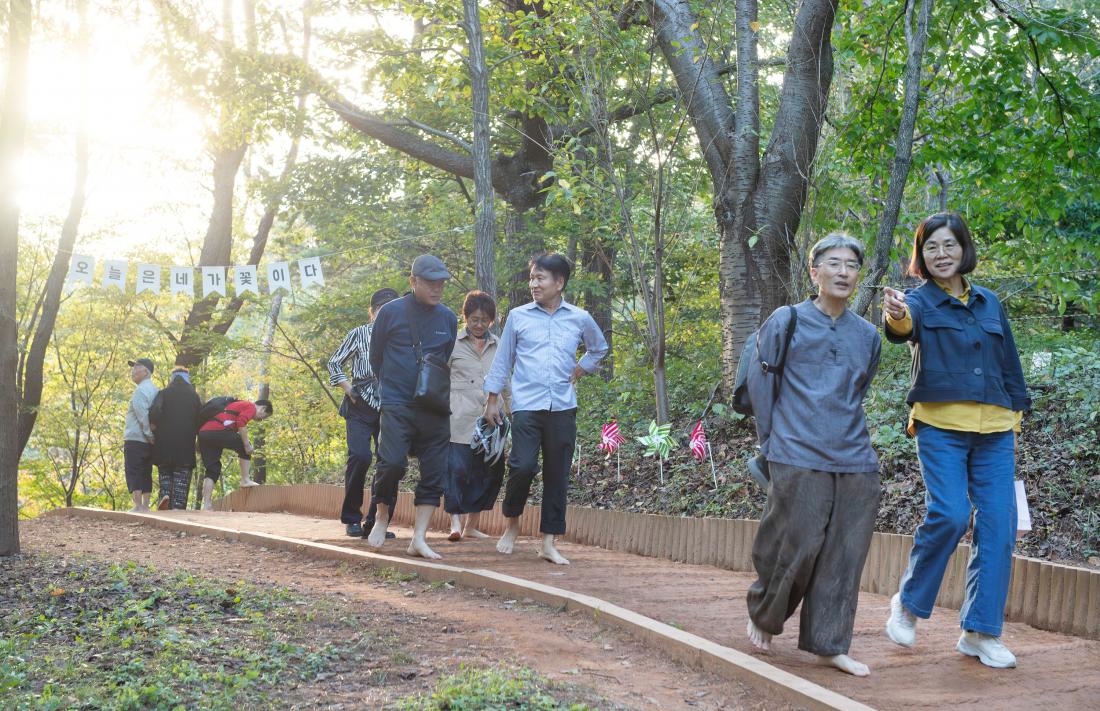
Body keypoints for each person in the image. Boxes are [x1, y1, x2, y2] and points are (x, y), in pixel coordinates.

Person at [881, 211, 1030, 669]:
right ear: (921, 257)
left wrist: (1016, 410)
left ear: (964, 250)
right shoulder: (918, 301)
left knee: (999, 526)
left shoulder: (989, 302)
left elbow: (1009, 361)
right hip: (941, 425)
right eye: (931, 247)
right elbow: (901, 328)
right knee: (949, 513)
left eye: (949, 245)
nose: (941, 254)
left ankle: (980, 632)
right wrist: (898, 316)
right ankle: (908, 603)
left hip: (996, 429)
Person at [743, 234, 881, 677]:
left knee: (846, 552)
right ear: (814, 271)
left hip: (855, 457)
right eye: (834, 263)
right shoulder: (788, 320)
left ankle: (829, 642)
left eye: (851, 265)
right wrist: (772, 442)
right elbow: (760, 385)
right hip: (796, 449)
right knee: (794, 540)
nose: (843, 272)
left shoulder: (868, 334)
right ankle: (765, 614)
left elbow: (858, 389)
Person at [483, 253, 609, 565]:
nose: (534, 284)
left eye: (540, 278)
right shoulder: (519, 316)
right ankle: (511, 525)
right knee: (523, 466)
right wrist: (492, 399)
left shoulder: (578, 317)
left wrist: (582, 368)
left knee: (557, 474)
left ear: (559, 282)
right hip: (527, 404)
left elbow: (599, 347)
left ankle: (549, 542)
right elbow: (503, 360)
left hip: (563, 406)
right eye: (532, 278)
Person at [365, 255, 458, 559]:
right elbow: (376, 357)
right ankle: (381, 516)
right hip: (396, 401)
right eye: (431, 282)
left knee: (434, 472)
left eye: (441, 282)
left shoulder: (448, 318)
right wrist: (392, 386)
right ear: (413, 281)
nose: (437, 288)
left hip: (433, 406)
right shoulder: (390, 313)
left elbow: (443, 357)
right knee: (391, 463)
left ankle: (419, 537)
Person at [327, 287, 400, 538]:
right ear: (372, 312)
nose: (386, 314)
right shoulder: (359, 333)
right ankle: (352, 518)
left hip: (391, 406)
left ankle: (377, 521)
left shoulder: (401, 336)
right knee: (360, 456)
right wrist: (347, 388)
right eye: (381, 309)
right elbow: (334, 361)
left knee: (389, 463)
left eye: (391, 309)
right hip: (359, 404)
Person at [444, 291, 508, 541]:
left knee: (487, 473)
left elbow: (506, 379)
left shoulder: (500, 344)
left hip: (491, 419)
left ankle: (472, 525)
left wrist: (513, 411)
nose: (479, 325)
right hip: (458, 416)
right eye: (474, 319)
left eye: (484, 320)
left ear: (491, 321)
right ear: (465, 318)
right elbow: (439, 377)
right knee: (457, 470)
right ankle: (455, 524)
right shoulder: (453, 343)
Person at [196, 398, 273, 510]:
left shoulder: (237, 405)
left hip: (204, 433)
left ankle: (206, 505)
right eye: (264, 417)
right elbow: (241, 422)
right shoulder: (251, 406)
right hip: (217, 430)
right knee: (245, 445)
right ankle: (245, 479)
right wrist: (246, 445)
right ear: (263, 408)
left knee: (212, 470)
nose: (261, 420)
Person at [150, 366, 202, 510]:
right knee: (182, 479)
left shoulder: (163, 393)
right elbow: (201, 418)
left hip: (164, 443)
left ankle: (165, 496)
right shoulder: (194, 396)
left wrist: (154, 427)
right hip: (185, 445)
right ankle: (178, 508)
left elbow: (154, 411)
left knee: (165, 473)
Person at [124, 357, 159, 512]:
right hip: (149, 441)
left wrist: (148, 434)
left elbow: (142, 415)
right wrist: (153, 436)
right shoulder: (156, 391)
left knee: (134, 469)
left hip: (136, 437)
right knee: (146, 470)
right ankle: (145, 505)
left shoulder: (140, 391)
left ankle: (138, 506)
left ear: (146, 371)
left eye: (136, 367)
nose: (133, 370)